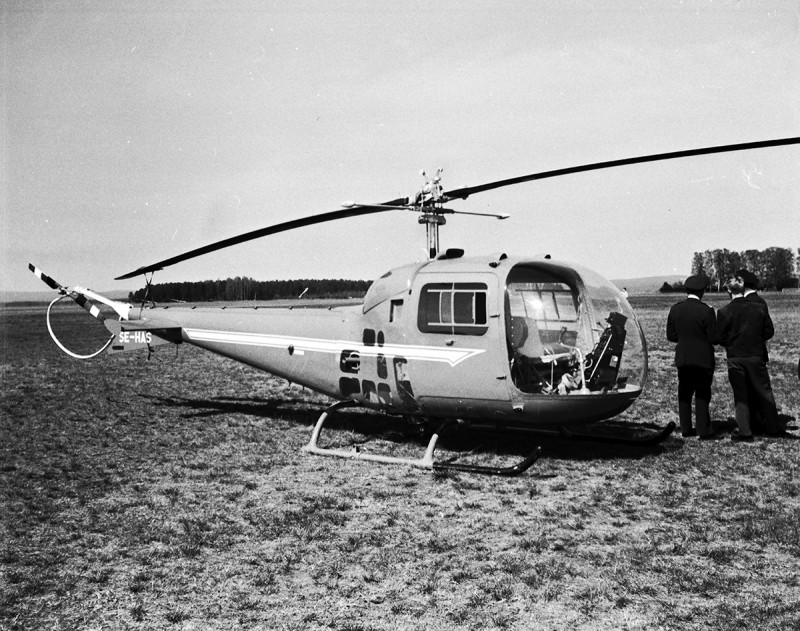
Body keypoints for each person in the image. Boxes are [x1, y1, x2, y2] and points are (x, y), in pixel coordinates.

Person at [715, 273, 783, 441]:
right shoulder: (758, 308)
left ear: (729, 290)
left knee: (741, 394)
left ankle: (745, 431)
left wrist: (732, 343)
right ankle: (774, 428)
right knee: (764, 391)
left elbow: (718, 337)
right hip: (755, 355)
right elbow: (769, 331)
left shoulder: (724, 311)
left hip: (735, 357)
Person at [666, 274, 717, 438]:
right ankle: (703, 430)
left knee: (684, 393)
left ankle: (686, 429)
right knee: (702, 394)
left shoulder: (676, 309)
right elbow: (713, 338)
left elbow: (671, 335)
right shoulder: (706, 311)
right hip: (703, 358)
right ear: (703, 291)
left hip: (684, 357)